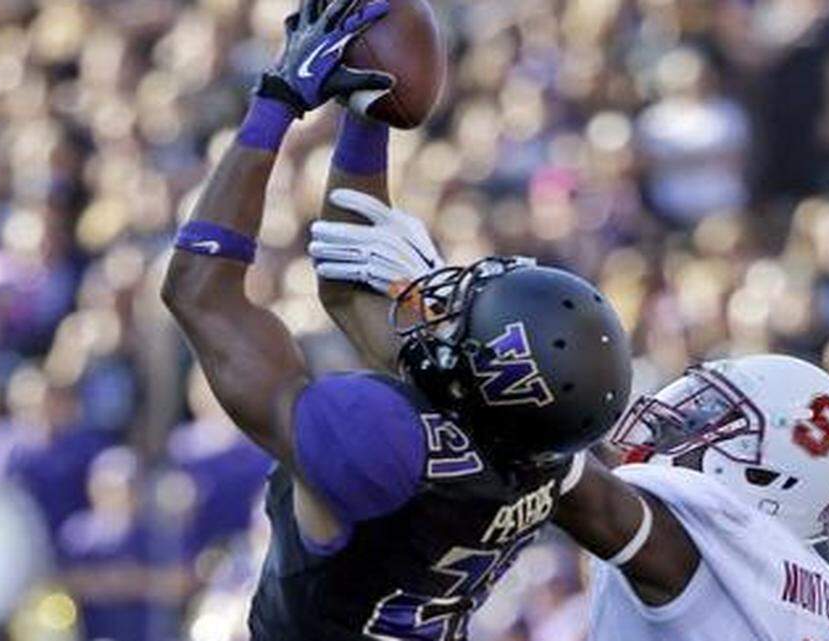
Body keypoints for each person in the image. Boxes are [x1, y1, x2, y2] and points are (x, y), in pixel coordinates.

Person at [159, 2, 633, 640]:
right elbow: (354, 285)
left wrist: (275, 102)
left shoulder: (381, 442)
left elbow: (199, 294)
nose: (443, 310)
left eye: (465, 317)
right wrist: (369, 116)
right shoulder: (538, 449)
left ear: (491, 376)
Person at [311, 192, 829, 641]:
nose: (679, 419)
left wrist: (453, 334)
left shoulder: (728, 531)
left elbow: (579, 488)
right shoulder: (812, 589)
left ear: (769, 476)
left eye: (716, 420)